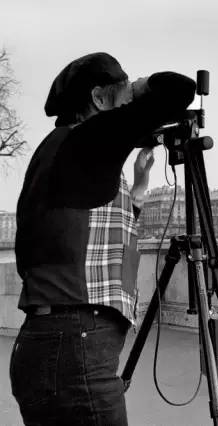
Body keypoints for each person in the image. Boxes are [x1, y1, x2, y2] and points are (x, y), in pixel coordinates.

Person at [10, 52, 196, 425]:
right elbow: (179, 90)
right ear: (98, 98)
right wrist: (139, 87)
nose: (129, 106)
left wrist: (138, 190)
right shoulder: (87, 139)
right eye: (123, 97)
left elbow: (85, 231)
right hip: (75, 344)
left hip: (48, 343)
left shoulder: (57, 150)